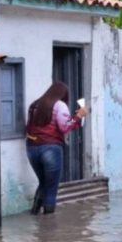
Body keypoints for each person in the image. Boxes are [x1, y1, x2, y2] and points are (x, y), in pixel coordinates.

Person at [25, 82, 87, 215]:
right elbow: (65, 126)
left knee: (43, 182)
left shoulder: (34, 105)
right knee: (51, 186)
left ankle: (34, 214)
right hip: (51, 148)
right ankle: (48, 224)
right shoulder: (60, 105)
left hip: (32, 149)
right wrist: (78, 116)